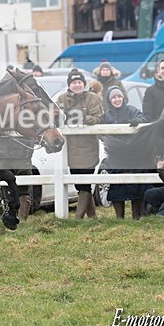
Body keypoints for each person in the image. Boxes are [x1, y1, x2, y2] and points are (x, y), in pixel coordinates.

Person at [57, 69, 103, 219]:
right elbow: (55, 115)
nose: (77, 85)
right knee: (80, 184)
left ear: (83, 84)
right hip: (69, 149)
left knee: (84, 184)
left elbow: (97, 117)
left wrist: (80, 117)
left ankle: (77, 218)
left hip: (87, 147)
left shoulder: (92, 98)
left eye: (79, 82)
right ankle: (93, 218)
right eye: (73, 82)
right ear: (69, 85)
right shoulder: (62, 98)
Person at [100, 86, 147, 219]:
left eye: (119, 96)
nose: (117, 99)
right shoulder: (106, 115)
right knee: (117, 186)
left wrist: (136, 121)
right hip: (116, 155)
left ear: (123, 97)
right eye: (114, 97)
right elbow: (101, 131)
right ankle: (119, 218)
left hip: (133, 154)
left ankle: (136, 217)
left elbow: (142, 118)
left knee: (135, 186)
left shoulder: (132, 110)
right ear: (109, 100)